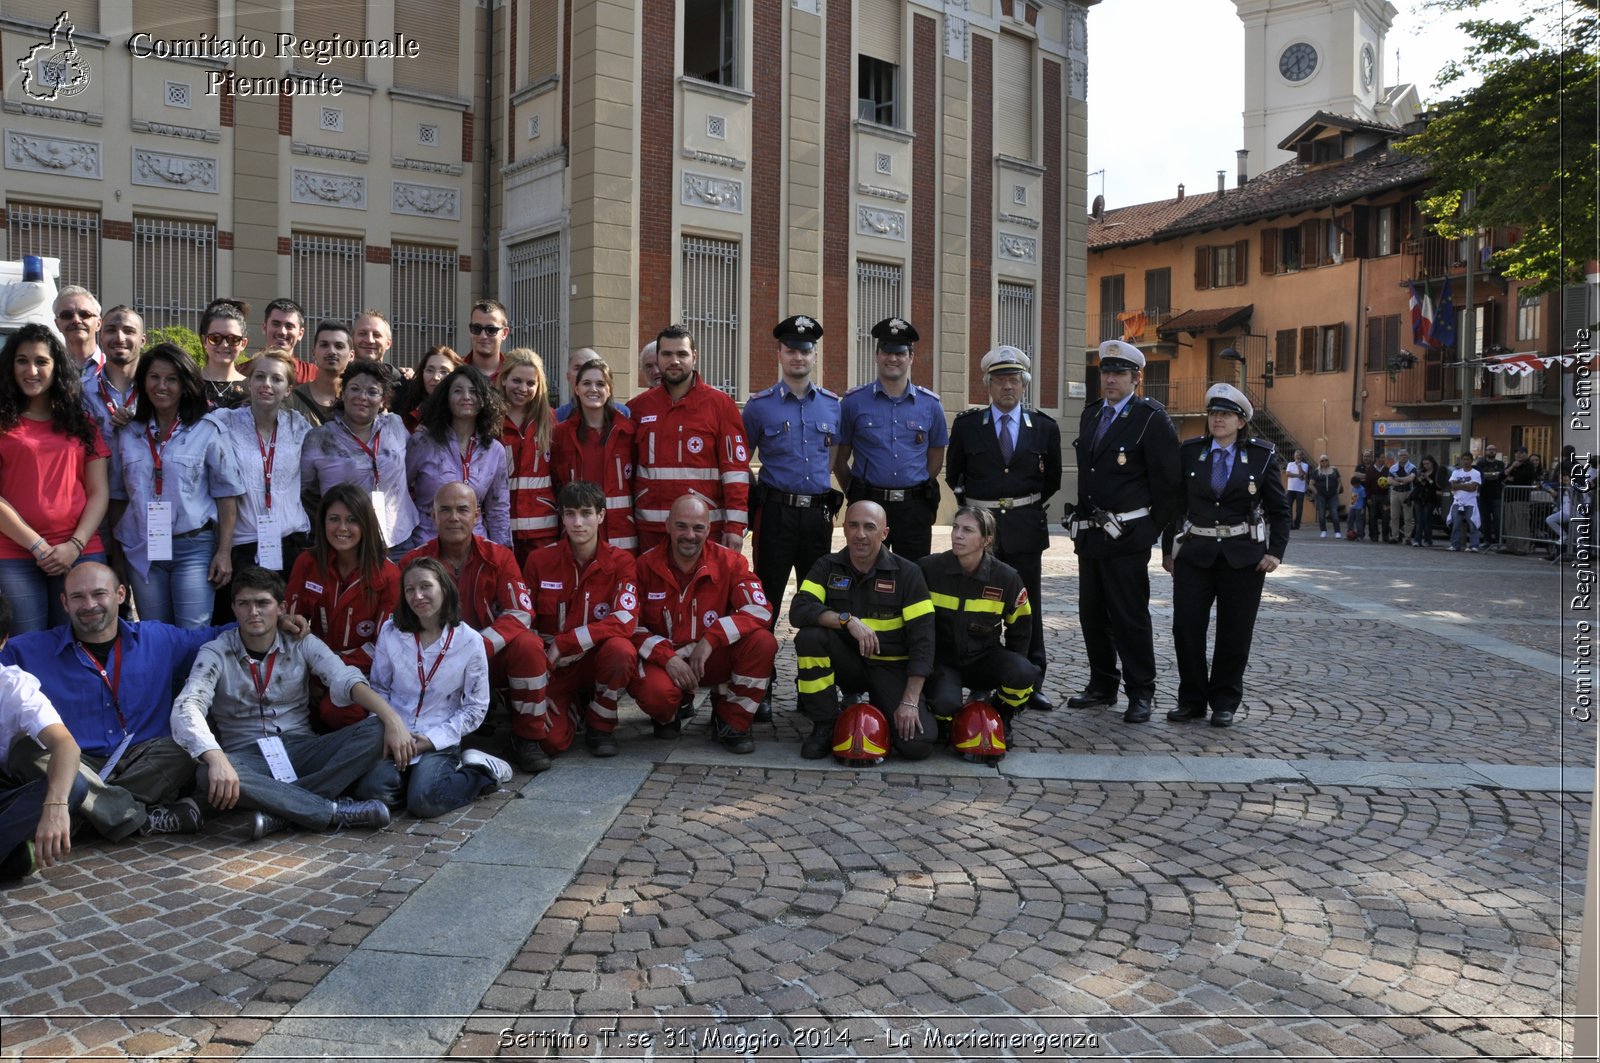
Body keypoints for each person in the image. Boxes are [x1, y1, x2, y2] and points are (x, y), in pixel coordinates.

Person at [0, 562, 236, 841]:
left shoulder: (158, 638)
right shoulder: (29, 649)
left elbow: (219, 635)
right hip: (77, 762)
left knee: (187, 745)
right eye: (77, 597)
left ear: (120, 594)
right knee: (26, 753)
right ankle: (139, 819)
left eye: (99, 594)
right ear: (64, 602)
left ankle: (86, 814)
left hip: (145, 756)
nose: (89, 605)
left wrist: (276, 623)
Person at [170, 567, 405, 839]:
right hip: (247, 757)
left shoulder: (301, 642)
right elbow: (187, 706)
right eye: (244, 604)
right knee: (205, 772)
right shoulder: (216, 652)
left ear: (280, 607)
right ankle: (328, 811)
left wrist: (392, 718)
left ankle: (280, 811)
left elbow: (344, 678)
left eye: (262, 603)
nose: (253, 612)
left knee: (375, 730)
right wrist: (216, 758)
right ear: (233, 608)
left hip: (302, 747)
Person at [403, 483, 558, 774]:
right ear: (433, 515)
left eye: (462, 510)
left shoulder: (500, 556)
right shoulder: (415, 562)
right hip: (433, 664)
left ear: (477, 515)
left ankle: (527, 737)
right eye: (445, 510)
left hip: (488, 656)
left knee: (528, 646)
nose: (454, 517)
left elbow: (520, 611)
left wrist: (476, 647)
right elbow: (400, 621)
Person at [1063, 339, 1180, 723]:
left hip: (1128, 535)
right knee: (1091, 613)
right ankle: (1102, 683)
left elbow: (1168, 485)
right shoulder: (1092, 415)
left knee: (1129, 615)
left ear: (1137, 378)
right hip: (1092, 535)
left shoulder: (1151, 418)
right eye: (1106, 372)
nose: (1110, 379)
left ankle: (1141, 690)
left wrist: (1153, 532)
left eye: (1119, 373)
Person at [1160, 384, 1290, 729]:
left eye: (1227, 415)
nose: (1218, 420)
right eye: (1214, 414)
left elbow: (1280, 508)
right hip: (1194, 554)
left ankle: (1224, 701)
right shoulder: (1190, 451)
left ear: (1242, 421)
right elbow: (1175, 504)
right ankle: (1191, 700)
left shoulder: (1261, 456)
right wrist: (1167, 548)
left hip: (1243, 557)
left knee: (1234, 632)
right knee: (1186, 629)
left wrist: (1276, 551)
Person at [945, 345, 1061, 711]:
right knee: (979, 604)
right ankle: (982, 678)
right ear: (988, 386)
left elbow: (1052, 480)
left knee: (1028, 606)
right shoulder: (967, 426)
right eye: (999, 380)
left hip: (1026, 528)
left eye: (1013, 380)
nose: (1007, 387)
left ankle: (1031, 678)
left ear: (1024, 385)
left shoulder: (1044, 427)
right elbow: (954, 475)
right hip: (983, 528)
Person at [351, 558, 510, 818]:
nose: (418, 596)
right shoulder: (390, 632)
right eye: (410, 589)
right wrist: (390, 728)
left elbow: (475, 707)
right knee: (373, 792)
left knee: (425, 800)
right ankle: (414, 779)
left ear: (444, 589)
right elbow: (379, 688)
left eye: (426, 586)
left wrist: (433, 740)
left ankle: (480, 771)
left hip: (439, 736)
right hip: (395, 734)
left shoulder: (469, 640)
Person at [742, 315, 841, 719]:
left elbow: (834, 456)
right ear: (779, 354)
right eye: (790, 350)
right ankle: (760, 686)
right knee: (764, 601)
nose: (797, 356)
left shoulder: (835, 406)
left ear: (814, 355)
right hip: (776, 515)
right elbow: (740, 461)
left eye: (805, 350)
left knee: (817, 603)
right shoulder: (759, 406)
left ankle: (812, 687)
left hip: (816, 516)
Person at [109, 343, 244, 627]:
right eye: (155, 377)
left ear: (185, 385)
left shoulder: (208, 430)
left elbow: (227, 496)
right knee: (154, 633)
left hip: (193, 547)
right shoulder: (128, 432)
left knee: (192, 633)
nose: (162, 386)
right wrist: (117, 557)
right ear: (143, 382)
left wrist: (223, 552)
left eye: (172, 379)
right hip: (141, 546)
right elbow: (119, 498)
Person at [790, 500, 936, 760]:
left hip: (891, 667)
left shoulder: (908, 574)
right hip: (848, 665)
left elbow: (923, 641)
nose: (860, 534)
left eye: (870, 527)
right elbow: (799, 609)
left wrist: (909, 700)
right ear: (843, 528)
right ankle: (825, 724)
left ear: (884, 533)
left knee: (917, 746)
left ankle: (883, 708)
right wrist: (847, 620)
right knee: (810, 637)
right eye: (853, 525)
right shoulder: (827, 566)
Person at [628, 494, 773, 754]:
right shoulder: (644, 566)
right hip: (667, 659)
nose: (690, 535)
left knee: (762, 643)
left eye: (698, 528)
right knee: (655, 693)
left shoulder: (731, 562)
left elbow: (760, 610)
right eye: (681, 526)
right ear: (667, 526)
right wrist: (666, 657)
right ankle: (668, 714)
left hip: (712, 657)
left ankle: (732, 720)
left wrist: (711, 639)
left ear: (708, 529)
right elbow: (629, 625)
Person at [0, 324, 111, 632]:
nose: (31, 370)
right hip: (14, 554)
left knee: (81, 643)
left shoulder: (83, 423)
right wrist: (37, 546)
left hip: (79, 550)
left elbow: (99, 492)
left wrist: (74, 545)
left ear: (56, 367)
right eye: (22, 360)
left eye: (41, 361)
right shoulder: (2, 423)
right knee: (28, 647)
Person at [522, 481, 640, 757]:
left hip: (594, 659)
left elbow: (624, 619)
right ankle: (576, 707)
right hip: (554, 667)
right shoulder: (539, 561)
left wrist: (567, 642)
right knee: (550, 741)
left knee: (621, 650)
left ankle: (601, 723)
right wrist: (541, 687)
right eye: (570, 514)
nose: (578, 523)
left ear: (601, 516)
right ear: (561, 517)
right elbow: (525, 623)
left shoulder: (621, 562)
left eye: (586, 513)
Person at [286, 485, 401, 729]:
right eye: (334, 519)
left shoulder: (388, 574)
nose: (342, 528)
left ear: (366, 524)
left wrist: (330, 667)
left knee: (340, 711)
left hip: (361, 672)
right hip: (307, 667)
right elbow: (289, 620)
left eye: (352, 520)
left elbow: (386, 645)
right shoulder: (307, 562)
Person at [629, 324, 751, 553]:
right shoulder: (638, 408)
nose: (674, 360)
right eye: (666, 354)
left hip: (703, 531)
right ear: (658, 358)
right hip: (650, 530)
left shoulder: (721, 405)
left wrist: (734, 527)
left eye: (681, 354)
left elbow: (735, 471)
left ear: (694, 357)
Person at [835, 317, 947, 562]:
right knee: (866, 573)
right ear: (877, 355)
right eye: (886, 351)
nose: (892, 358)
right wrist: (857, 494)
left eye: (900, 352)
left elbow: (935, 460)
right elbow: (840, 460)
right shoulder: (853, 403)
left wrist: (914, 486)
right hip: (869, 505)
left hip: (914, 509)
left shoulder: (931, 405)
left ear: (911, 357)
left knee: (915, 576)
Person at [917, 505, 1037, 733]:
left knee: (1024, 672)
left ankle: (1001, 714)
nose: (957, 535)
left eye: (967, 530)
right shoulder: (929, 569)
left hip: (984, 659)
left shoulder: (1006, 578)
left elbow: (1020, 630)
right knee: (945, 707)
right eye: (955, 527)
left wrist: (1012, 667)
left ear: (986, 540)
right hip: (944, 663)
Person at [209, 348, 315, 589]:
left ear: (288, 389)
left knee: (289, 619)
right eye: (260, 376)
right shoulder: (225, 421)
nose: (266, 384)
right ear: (250, 382)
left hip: (292, 543)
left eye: (276, 379)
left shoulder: (298, 426)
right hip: (243, 547)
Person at [0, 593, 86, 884]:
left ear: (2, 642)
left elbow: (65, 745)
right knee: (17, 859)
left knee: (72, 784)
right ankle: (12, 859)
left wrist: (55, 807)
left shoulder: (13, 686)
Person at [301, 361, 419, 558]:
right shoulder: (319, 438)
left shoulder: (396, 425)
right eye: (354, 389)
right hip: (344, 542)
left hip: (398, 540)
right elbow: (301, 490)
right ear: (343, 393)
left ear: (383, 400)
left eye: (372, 392)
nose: (362, 397)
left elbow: (410, 469)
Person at [409, 366, 512, 548]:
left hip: (476, 551)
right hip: (427, 548)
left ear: (484, 399)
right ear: (446, 399)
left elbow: (498, 509)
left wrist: (503, 556)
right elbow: (398, 494)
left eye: (473, 391)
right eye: (458, 391)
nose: (466, 397)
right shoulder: (421, 443)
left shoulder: (495, 450)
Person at [551, 358, 638, 551]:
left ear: (609, 389)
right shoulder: (561, 434)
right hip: (578, 533)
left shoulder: (628, 432)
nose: (593, 389)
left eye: (600, 384)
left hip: (620, 533)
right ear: (576, 389)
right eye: (586, 383)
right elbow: (556, 482)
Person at [497, 349, 559, 564]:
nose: (523, 389)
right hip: (502, 528)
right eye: (516, 380)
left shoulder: (549, 420)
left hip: (543, 530)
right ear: (503, 379)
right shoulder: (489, 420)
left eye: (530, 383)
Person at [82, 305, 143, 451]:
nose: (119, 338)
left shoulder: (157, 393)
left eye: (129, 331)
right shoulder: (80, 393)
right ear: (101, 337)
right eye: (111, 330)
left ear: (142, 340)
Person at [290, 320, 354, 427]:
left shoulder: (358, 399)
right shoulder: (293, 400)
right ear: (313, 353)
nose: (331, 351)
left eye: (339, 346)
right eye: (324, 345)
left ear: (351, 355)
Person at [246, 297, 317, 382]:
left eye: (289, 326)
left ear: (300, 333)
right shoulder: (243, 372)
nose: (282, 332)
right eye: (276, 324)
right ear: (264, 328)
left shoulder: (313, 375)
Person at [197, 299, 251, 410]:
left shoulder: (252, 389)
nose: (224, 344)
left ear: (243, 343)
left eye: (233, 339)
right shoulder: (189, 384)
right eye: (215, 338)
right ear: (204, 341)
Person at [396, 345, 463, 433]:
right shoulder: (409, 415)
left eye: (444, 372)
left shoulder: (464, 413)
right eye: (430, 370)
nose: (436, 377)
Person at [351, 310, 409, 394]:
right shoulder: (338, 381)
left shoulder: (405, 387)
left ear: (388, 343)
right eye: (362, 333)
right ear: (352, 339)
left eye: (376, 335)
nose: (369, 340)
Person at [53, 285, 103, 374]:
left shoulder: (114, 368)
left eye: (85, 314)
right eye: (67, 315)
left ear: (98, 324)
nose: (76, 320)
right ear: (57, 325)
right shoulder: (50, 371)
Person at [1350, 448, 1389, 543]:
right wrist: (1366, 476)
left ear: (1372, 458)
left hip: (1382, 496)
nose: (1366, 458)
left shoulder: (1386, 469)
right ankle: (1360, 534)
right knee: (1358, 514)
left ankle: (1382, 536)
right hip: (1361, 495)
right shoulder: (1361, 467)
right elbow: (1355, 476)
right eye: (1364, 456)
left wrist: (1363, 476)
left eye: (1368, 456)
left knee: (1384, 517)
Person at [465, 299, 510, 380]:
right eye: (476, 328)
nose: (483, 336)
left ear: (504, 333)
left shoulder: (514, 373)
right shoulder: (454, 370)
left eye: (491, 330)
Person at [1447, 452, 1483, 552]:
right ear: (1461, 460)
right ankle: (1454, 545)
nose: (1466, 461)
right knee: (1456, 524)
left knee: (1473, 524)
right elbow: (1453, 486)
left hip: (1470, 502)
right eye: (1464, 459)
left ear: (1471, 461)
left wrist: (1460, 485)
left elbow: (1473, 488)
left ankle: (1474, 545)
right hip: (1457, 502)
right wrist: (1466, 485)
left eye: (1468, 459)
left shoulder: (1476, 473)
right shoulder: (1456, 472)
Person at [1476, 443, 1507, 548]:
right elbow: (1480, 476)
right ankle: (1486, 540)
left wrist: (1489, 475)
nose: (1491, 451)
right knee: (1485, 518)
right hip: (1483, 494)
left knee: (1498, 518)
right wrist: (1494, 474)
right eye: (1489, 450)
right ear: (1486, 451)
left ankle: (1499, 541)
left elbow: (1501, 476)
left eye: (1494, 450)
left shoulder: (1500, 463)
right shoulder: (1481, 463)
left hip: (1497, 494)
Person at [1411, 455, 1442, 547]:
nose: (1426, 465)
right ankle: (1417, 540)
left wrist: (1428, 479)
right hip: (1419, 497)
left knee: (1427, 519)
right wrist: (1420, 479)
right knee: (1419, 520)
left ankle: (1428, 540)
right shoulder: (1421, 471)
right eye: (1424, 464)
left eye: (1427, 463)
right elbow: (1415, 483)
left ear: (1432, 463)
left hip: (1430, 498)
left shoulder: (1437, 472)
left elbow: (1437, 486)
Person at [1388, 448, 1417, 545]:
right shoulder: (1393, 468)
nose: (1403, 457)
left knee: (1408, 517)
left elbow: (1410, 478)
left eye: (1404, 455)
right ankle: (1394, 536)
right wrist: (1401, 482)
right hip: (1395, 493)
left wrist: (1399, 479)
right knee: (1394, 517)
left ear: (1407, 456)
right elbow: (1389, 481)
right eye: (1401, 455)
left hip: (1407, 493)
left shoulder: (1412, 467)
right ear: (1398, 456)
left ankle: (1407, 538)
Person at [1311, 455, 1342, 539]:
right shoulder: (1316, 471)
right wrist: (1317, 493)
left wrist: (1338, 490)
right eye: (1322, 460)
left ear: (1328, 461)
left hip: (1333, 495)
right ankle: (1323, 531)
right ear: (1319, 462)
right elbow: (1311, 484)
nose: (1324, 462)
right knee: (1321, 514)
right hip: (1321, 495)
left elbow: (1339, 481)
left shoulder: (1334, 470)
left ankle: (1337, 531)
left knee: (1334, 513)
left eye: (1326, 460)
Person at [1284, 448, 1310, 531]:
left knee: (1299, 508)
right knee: (1288, 506)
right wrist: (1297, 475)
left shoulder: (1305, 465)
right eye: (1296, 455)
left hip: (1300, 490)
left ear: (1302, 456)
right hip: (1291, 489)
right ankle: (1290, 524)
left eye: (1299, 455)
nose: (1297, 456)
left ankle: (1297, 524)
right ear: (1294, 456)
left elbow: (1302, 477)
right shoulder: (1290, 464)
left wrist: (1299, 466)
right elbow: (1287, 474)